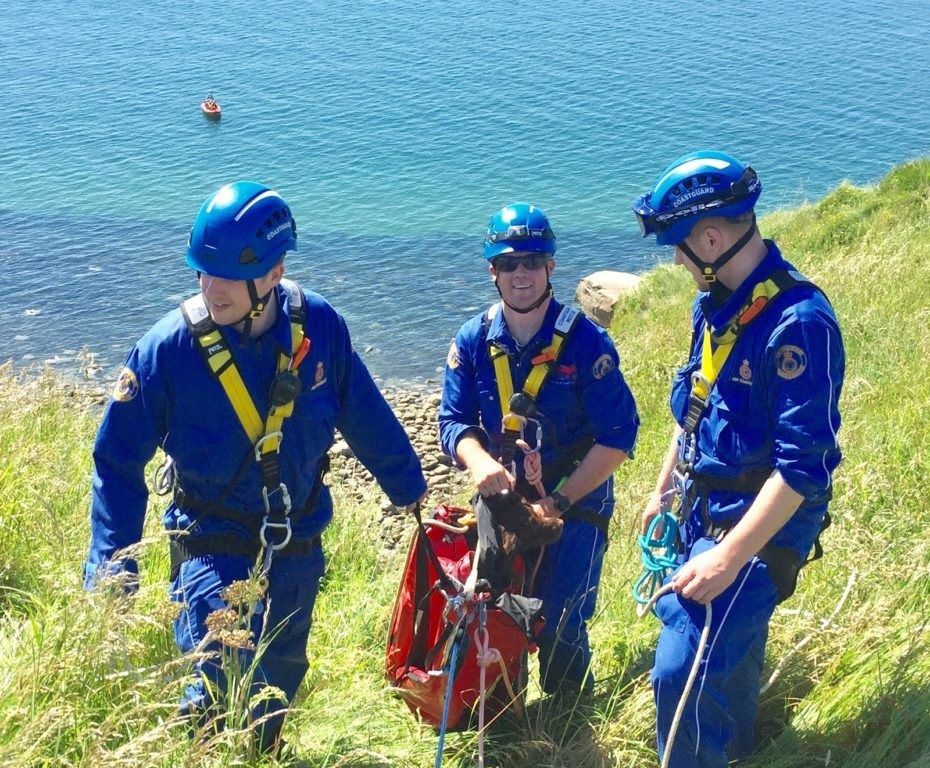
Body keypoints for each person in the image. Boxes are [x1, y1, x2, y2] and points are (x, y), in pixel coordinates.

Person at [83, 181, 427, 752]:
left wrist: (407, 485)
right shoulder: (168, 350)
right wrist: (112, 569)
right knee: (220, 671)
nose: (210, 288)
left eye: (226, 276)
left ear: (273, 273)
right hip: (210, 538)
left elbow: (361, 409)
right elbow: (117, 462)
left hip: (297, 540)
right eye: (202, 272)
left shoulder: (319, 326)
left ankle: (260, 753)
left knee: (276, 683)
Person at [632, 150, 844, 767]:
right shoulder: (715, 305)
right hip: (704, 506)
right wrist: (663, 490)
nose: (676, 261)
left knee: (681, 671)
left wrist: (728, 558)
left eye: (678, 247)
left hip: (759, 523)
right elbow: (695, 410)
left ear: (711, 239)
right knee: (732, 647)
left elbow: (802, 469)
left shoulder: (799, 325)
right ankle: (740, 750)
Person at [439, 203, 640, 696]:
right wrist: (480, 462)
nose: (521, 274)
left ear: (551, 266)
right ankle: (502, 718)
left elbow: (618, 436)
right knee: (491, 611)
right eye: (508, 264)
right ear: (493, 271)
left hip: (576, 495)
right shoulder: (473, 340)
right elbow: (453, 422)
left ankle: (569, 715)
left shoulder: (587, 343)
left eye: (531, 262)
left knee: (561, 619)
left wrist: (560, 500)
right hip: (503, 497)